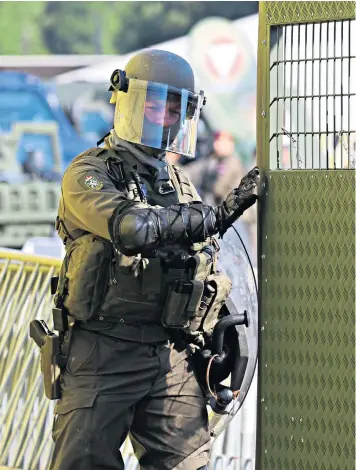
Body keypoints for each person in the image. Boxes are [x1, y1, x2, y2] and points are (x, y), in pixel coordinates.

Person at [50, 49, 259, 470]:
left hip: (171, 355)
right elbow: (132, 228)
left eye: (175, 109)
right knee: (84, 461)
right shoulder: (89, 173)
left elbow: (203, 257)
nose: (165, 118)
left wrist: (218, 332)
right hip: (102, 351)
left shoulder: (179, 183)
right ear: (127, 103)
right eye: (154, 105)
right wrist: (211, 217)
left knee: (186, 464)